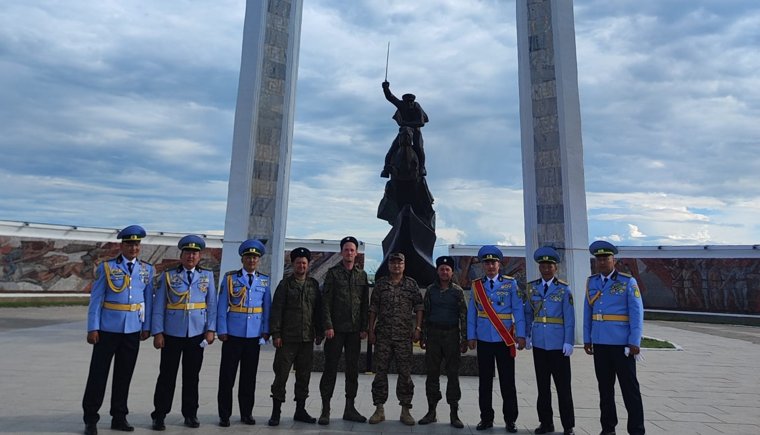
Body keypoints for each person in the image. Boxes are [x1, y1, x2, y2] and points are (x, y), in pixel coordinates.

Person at [82, 225, 154, 435]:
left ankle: (119, 416)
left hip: (132, 329)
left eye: (136, 244)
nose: (133, 248)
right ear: (122, 245)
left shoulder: (146, 269)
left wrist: (147, 326)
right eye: (129, 244)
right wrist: (93, 327)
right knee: (98, 375)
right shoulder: (107, 267)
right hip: (107, 329)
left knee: (124, 375)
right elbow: (96, 300)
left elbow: (148, 300)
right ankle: (91, 419)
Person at [150, 235, 217, 430]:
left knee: (192, 376)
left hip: (196, 333)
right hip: (172, 333)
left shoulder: (206, 276)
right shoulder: (169, 276)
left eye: (195, 253)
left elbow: (211, 304)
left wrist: (211, 329)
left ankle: (190, 414)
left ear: (199, 256)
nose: (191, 256)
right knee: (166, 376)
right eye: (188, 252)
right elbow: (158, 305)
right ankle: (159, 414)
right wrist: (158, 332)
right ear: (181, 255)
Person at [584, 241, 645, 435]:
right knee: (605, 390)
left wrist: (635, 341)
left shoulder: (628, 281)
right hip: (600, 343)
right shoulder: (592, 282)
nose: (602, 262)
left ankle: (636, 429)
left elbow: (637, 313)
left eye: (606, 258)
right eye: (599, 259)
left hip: (621, 344)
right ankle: (608, 428)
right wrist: (587, 338)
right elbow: (588, 312)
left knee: (630, 390)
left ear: (614, 260)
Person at [467, 245, 526, 433]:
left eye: (493, 262)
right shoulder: (477, 285)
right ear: (483, 266)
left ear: (499, 264)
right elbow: (472, 314)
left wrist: (521, 334)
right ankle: (486, 418)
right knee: (484, 382)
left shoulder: (510, 284)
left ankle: (510, 420)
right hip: (484, 339)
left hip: (504, 339)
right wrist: (471, 335)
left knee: (507, 381)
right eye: (487, 263)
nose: (490, 266)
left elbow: (518, 310)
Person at [216, 239, 271, 427]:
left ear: (259, 260)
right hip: (232, 334)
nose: (251, 260)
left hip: (254, 335)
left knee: (249, 378)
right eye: (248, 257)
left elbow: (267, 308)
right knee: (227, 377)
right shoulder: (230, 278)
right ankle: (224, 414)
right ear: (242, 259)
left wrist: (265, 330)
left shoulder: (264, 280)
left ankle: (246, 413)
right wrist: (221, 330)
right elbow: (222, 304)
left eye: (255, 257)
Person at [268, 247, 324, 426]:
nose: (301, 265)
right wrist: (276, 334)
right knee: (281, 376)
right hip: (287, 339)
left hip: (306, 339)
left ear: (308, 265)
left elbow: (318, 311)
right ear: (293, 264)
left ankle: (300, 410)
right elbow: (276, 310)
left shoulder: (313, 285)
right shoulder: (285, 285)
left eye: (304, 263)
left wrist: (319, 332)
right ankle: (276, 412)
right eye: (298, 262)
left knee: (304, 376)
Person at [367, 252, 424, 426]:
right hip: (383, 335)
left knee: (405, 374)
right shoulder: (381, 284)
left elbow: (419, 307)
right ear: (389, 265)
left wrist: (418, 328)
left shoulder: (411, 284)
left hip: (403, 337)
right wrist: (370, 330)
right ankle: (379, 409)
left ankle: (405, 410)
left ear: (404, 265)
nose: (396, 266)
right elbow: (373, 308)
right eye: (393, 263)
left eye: (399, 263)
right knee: (380, 374)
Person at [318, 236, 370, 425]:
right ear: (341, 252)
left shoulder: (361, 276)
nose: (349, 253)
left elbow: (365, 303)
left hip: (354, 331)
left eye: (352, 250)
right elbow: (326, 302)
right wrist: (328, 325)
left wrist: (364, 327)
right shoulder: (332, 274)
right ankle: (325, 408)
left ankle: (350, 407)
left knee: (352, 370)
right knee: (330, 368)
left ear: (356, 253)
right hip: (336, 331)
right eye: (346, 250)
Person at [525, 247, 575, 435]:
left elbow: (569, 317)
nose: (546, 269)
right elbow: (528, 313)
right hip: (539, 342)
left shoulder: (563, 288)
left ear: (556, 268)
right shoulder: (532, 287)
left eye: (550, 266)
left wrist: (568, 341)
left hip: (558, 343)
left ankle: (568, 425)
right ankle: (546, 423)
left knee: (563, 387)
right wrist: (528, 335)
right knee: (542, 386)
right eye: (543, 265)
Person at [418, 255, 467, 428]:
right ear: (437, 271)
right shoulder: (431, 290)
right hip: (433, 335)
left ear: (451, 272)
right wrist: (423, 336)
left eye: (447, 269)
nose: (444, 272)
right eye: (441, 269)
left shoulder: (458, 291)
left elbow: (463, 316)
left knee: (453, 374)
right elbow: (425, 315)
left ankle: (454, 413)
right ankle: (431, 411)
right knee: (432, 374)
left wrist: (465, 339)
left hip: (452, 335)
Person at [381, 81, 429, 177]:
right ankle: (386, 168)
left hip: (416, 131)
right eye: (408, 102)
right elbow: (390, 97)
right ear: (404, 102)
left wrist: (407, 124)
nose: (410, 103)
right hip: (404, 130)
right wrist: (385, 88)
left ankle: (422, 167)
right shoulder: (401, 105)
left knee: (419, 148)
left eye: (411, 101)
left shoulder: (417, 106)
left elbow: (421, 123)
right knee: (392, 149)